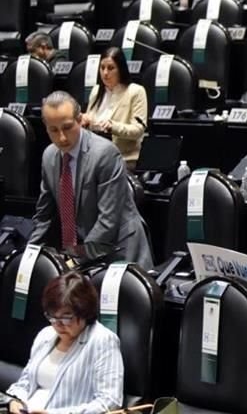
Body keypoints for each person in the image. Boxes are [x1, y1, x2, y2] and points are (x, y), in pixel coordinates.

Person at [30, 91, 153, 268]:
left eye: (67, 127)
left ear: (80, 120)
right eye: (54, 130)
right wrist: (30, 254)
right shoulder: (49, 156)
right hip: (82, 248)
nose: (62, 137)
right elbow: (43, 216)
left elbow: (108, 221)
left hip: (119, 250)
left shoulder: (105, 154)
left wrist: (73, 261)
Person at [6, 272, 123, 414]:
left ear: (85, 312)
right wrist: (15, 400)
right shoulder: (46, 335)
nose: (58, 325)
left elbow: (109, 402)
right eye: (52, 317)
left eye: (66, 318)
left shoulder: (103, 341)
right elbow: (25, 382)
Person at [80, 47, 149, 168]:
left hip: (123, 159)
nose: (105, 73)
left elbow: (138, 130)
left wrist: (113, 126)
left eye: (111, 68)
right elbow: (91, 121)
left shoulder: (136, 91)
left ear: (121, 69)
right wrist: (85, 121)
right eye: (102, 68)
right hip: (94, 157)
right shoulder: (96, 90)